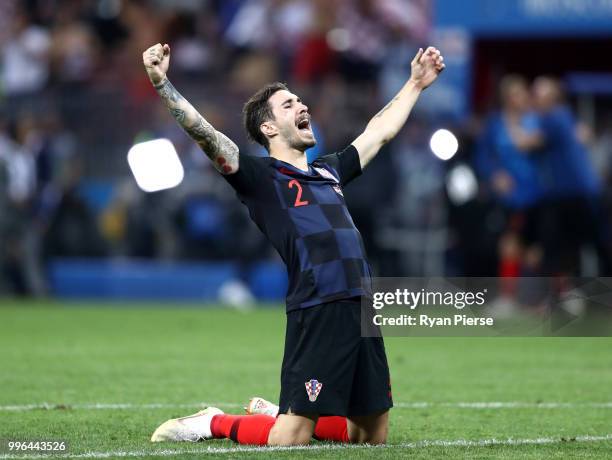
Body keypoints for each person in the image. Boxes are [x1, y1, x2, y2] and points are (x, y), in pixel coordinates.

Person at [143, 42, 444, 446]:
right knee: (289, 440)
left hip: (362, 304)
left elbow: (379, 133)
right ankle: (214, 422)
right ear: (268, 128)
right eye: (288, 105)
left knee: (370, 437)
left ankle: (281, 413)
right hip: (318, 304)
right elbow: (205, 134)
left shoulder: (328, 170)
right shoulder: (260, 178)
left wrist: (415, 84)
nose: (301, 106)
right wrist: (163, 84)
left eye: (300, 101)